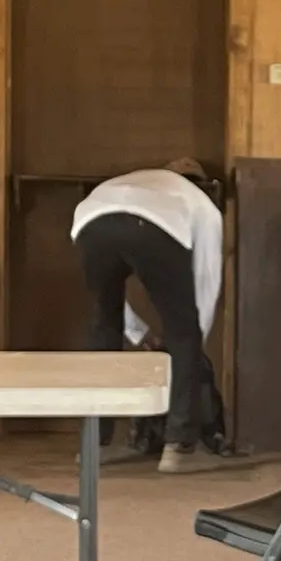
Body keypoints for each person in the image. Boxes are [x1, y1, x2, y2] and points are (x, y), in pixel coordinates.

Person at [72, 161, 229, 473]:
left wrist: (137, 332)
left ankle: (95, 445)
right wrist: (192, 342)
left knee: (103, 326)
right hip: (155, 225)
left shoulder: (132, 180)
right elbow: (207, 280)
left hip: (90, 220)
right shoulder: (201, 203)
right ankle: (179, 446)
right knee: (184, 332)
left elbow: (110, 308)